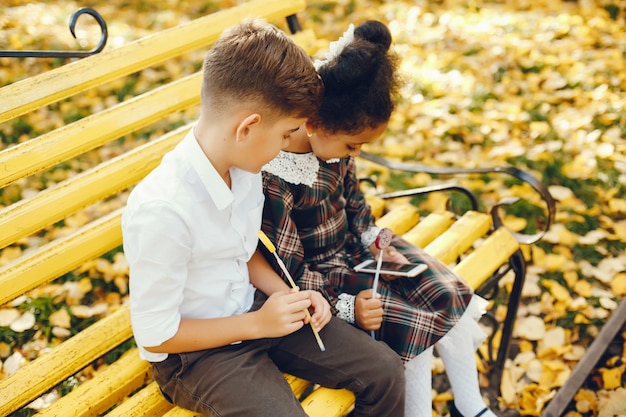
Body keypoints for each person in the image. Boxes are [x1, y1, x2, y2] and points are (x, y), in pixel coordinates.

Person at [122, 19, 406, 417]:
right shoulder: (163, 212)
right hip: (196, 353)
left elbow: (242, 250)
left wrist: (284, 293)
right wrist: (257, 324)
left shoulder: (244, 167)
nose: (290, 146)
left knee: (385, 370)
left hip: (254, 309)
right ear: (248, 127)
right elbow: (157, 333)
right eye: (287, 133)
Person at [260, 20, 497, 417]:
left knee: (447, 293)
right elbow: (290, 271)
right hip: (327, 278)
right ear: (315, 124)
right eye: (353, 145)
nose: (354, 155)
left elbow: (355, 205)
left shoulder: (336, 149)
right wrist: (348, 307)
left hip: (361, 249)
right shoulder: (276, 175)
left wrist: (374, 239)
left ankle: (469, 407)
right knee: (410, 328)